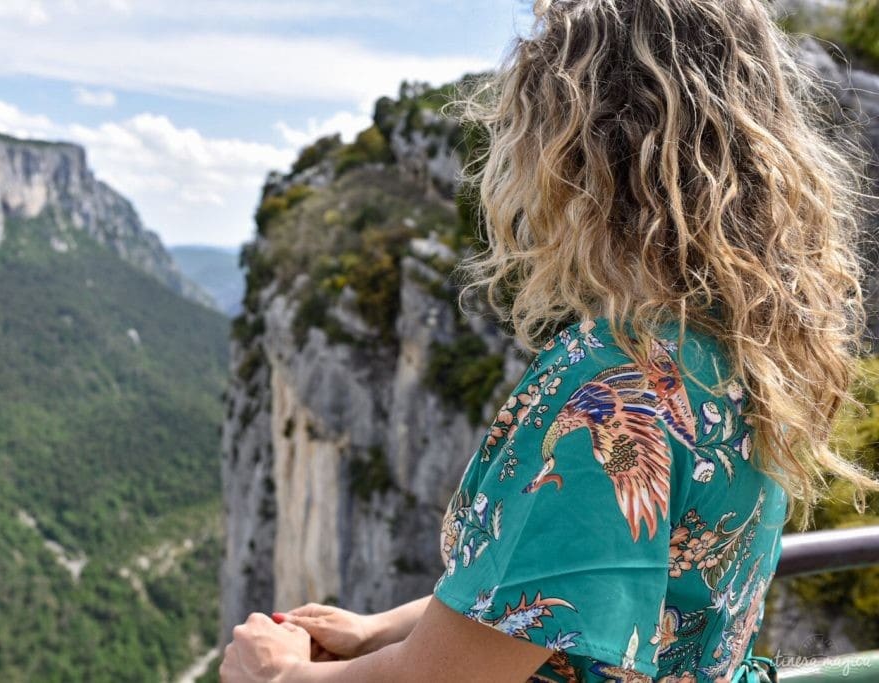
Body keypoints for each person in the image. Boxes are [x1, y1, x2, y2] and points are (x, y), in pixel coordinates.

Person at [220, 0, 879, 681]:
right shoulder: (741, 348)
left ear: (579, 152)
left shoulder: (610, 386)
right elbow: (549, 579)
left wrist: (282, 673)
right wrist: (372, 630)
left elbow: (443, 676)